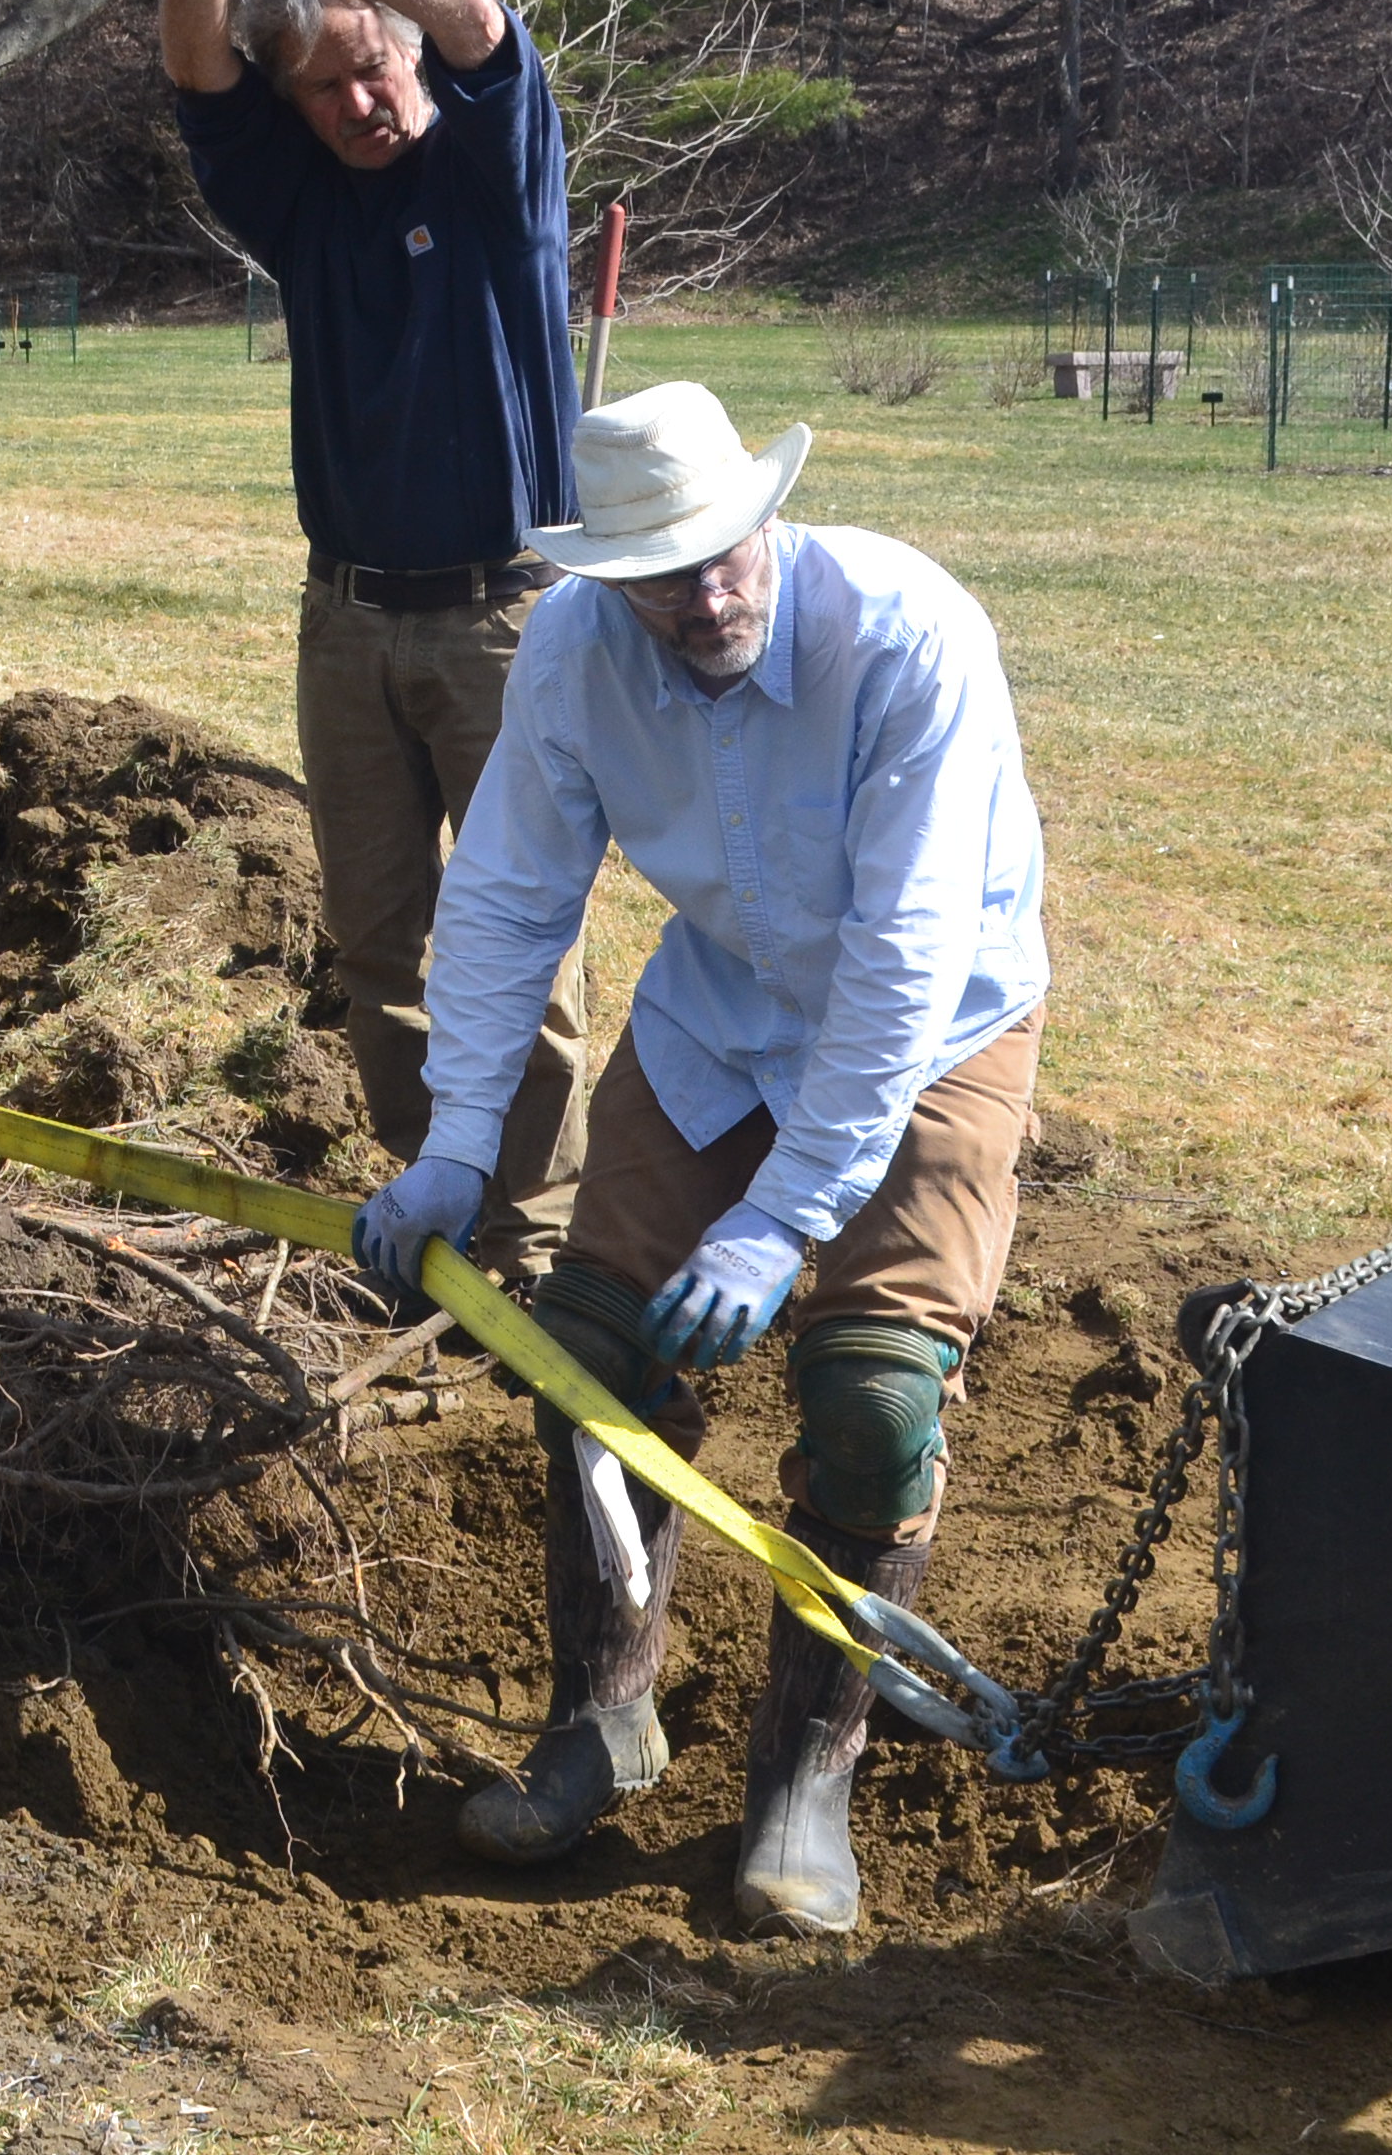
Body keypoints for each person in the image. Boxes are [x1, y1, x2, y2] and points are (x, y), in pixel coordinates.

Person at [353, 383, 1049, 1934]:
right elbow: (510, 896)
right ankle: (601, 1720)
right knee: (587, 1351)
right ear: (607, 577)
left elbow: (904, 956)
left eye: (725, 555)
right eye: (661, 577)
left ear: (766, 517)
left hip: (938, 1023)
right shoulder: (573, 651)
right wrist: (458, 1146)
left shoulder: (909, 637)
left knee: (872, 1402)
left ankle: (806, 1777)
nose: (706, 597)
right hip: (724, 1009)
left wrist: (784, 1218)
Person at [162, 0, 591, 1280]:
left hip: (506, 615)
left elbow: (470, 12)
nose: (362, 103)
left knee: (520, 935)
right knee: (378, 942)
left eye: (373, 69)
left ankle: (536, 1240)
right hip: (344, 620)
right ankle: (438, 1210)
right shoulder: (302, 207)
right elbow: (196, 68)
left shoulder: (495, 169)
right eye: (326, 87)